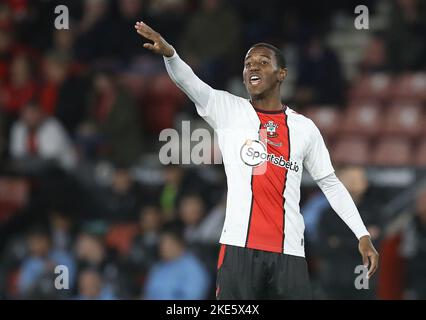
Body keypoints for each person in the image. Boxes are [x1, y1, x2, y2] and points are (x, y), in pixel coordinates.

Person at [134, 21, 379, 300]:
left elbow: (330, 184)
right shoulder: (228, 109)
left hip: (289, 252)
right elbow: (189, 82)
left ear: (281, 74)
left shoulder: (304, 128)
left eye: (263, 62)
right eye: (248, 62)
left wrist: (362, 234)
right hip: (239, 249)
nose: (253, 66)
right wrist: (170, 55)